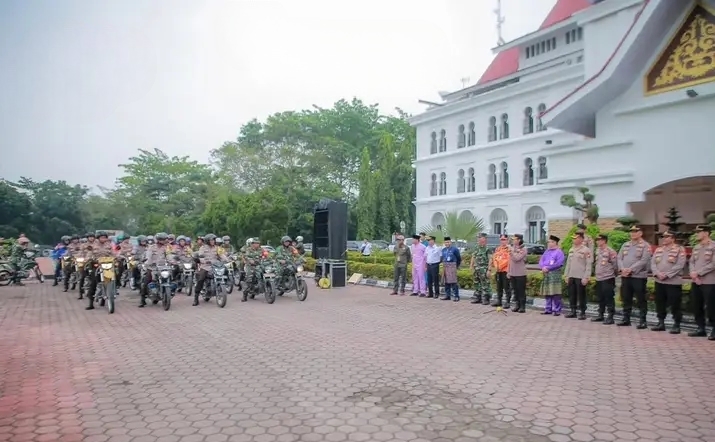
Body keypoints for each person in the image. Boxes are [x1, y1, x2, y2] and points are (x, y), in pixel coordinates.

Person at [650, 230, 686, 334]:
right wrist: (657, 273)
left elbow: (680, 264)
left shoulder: (679, 249)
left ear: (673, 238)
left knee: (675, 303)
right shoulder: (659, 249)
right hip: (659, 281)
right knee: (660, 303)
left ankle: (676, 324)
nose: (664, 238)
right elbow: (653, 263)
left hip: (673, 281)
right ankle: (661, 323)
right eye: (663, 237)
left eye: (667, 237)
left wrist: (667, 274)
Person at [617, 225, 652, 329]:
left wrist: (631, 269)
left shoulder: (645, 246)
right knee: (626, 297)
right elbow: (619, 258)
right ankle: (626, 319)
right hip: (625, 276)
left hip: (638, 276)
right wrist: (622, 268)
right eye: (631, 231)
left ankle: (642, 320)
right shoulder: (626, 245)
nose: (632, 233)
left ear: (640, 233)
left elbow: (644, 260)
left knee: (640, 299)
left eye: (635, 231)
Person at [688, 225, 715, 340]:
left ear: (706, 233)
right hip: (696, 281)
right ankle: (700, 328)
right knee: (697, 305)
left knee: (711, 307)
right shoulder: (697, 247)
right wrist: (692, 272)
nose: (697, 234)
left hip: (709, 281)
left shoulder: (713, 246)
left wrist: (698, 273)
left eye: (699, 232)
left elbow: (713, 264)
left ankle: (714, 329)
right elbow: (691, 262)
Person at [564, 232, 594, 320]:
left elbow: (589, 264)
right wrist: (566, 275)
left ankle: (582, 312)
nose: (574, 240)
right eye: (573, 238)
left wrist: (586, 277)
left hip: (581, 276)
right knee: (572, 294)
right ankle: (573, 310)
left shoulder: (586, 250)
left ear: (581, 239)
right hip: (571, 275)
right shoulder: (571, 249)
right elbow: (568, 264)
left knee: (581, 295)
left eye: (576, 238)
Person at [193, 234, 228, 306]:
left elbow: (222, 255)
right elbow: (200, 256)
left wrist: (227, 260)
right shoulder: (203, 248)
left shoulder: (218, 248)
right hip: (205, 266)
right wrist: (203, 261)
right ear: (207, 241)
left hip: (215, 266)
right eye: (211, 240)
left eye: (214, 240)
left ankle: (223, 286)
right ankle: (196, 298)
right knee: (201, 279)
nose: (213, 241)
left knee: (226, 272)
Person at [85, 231, 115, 310]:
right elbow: (89, 254)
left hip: (107, 265)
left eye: (105, 237)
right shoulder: (92, 246)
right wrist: (88, 259)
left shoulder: (109, 245)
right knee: (94, 282)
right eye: (102, 237)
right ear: (98, 238)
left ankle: (113, 290)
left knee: (116, 274)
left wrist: (117, 257)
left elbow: (113, 253)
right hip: (96, 265)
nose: (103, 239)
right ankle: (91, 303)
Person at [592, 233, 618, 325]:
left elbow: (615, 265)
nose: (597, 242)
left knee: (609, 297)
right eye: (597, 240)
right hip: (599, 277)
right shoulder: (597, 250)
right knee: (600, 297)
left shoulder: (610, 251)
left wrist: (613, 274)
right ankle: (600, 314)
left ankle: (610, 316)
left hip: (608, 277)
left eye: (599, 240)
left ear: (604, 240)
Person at [539, 235, 565, 316]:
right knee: (547, 292)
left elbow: (559, 263)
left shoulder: (559, 252)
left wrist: (549, 268)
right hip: (546, 274)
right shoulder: (547, 251)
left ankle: (557, 309)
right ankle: (548, 309)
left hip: (555, 274)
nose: (549, 243)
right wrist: (543, 267)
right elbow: (541, 260)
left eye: (551, 242)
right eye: (549, 242)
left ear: (555, 243)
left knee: (556, 292)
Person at [469, 233, 492, 305]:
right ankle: (477, 296)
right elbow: (473, 257)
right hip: (476, 269)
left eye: (480, 238)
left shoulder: (488, 249)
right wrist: (471, 266)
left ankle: (486, 298)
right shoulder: (476, 247)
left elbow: (490, 259)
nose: (478, 239)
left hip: (484, 269)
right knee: (476, 283)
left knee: (485, 284)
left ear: (484, 239)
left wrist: (489, 270)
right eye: (478, 238)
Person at [507, 234, 528, 313]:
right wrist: (508, 271)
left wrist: (511, 252)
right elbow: (510, 261)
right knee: (515, 290)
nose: (513, 241)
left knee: (521, 291)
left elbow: (517, 258)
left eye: (515, 239)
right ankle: (517, 305)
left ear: (519, 240)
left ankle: (522, 306)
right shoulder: (513, 248)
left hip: (520, 274)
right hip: (513, 273)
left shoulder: (523, 249)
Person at [491, 234, 511, 307]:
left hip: (505, 270)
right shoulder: (498, 249)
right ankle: (499, 300)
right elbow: (494, 258)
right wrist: (496, 266)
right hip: (498, 270)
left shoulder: (509, 249)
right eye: (501, 239)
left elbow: (508, 260)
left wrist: (501, 266)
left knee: (506, 287)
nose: (502, 241)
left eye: (504, 239)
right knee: (499, 287)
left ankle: (507, 302)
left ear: (507, 240)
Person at [440, 237, 462, 301]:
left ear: (451, 242)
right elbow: (442, 258)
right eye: (446, 242)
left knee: (453, 282)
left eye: (448, 242)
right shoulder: (443, 250)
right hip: (445, 266)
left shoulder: (455, 249)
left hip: (452, 266)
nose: (447, 243)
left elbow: (459, 259)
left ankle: (456, 296)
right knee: (446, 282)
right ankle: (447, 295)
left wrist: (456, 266)